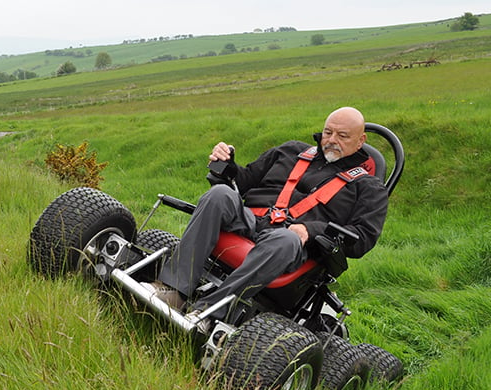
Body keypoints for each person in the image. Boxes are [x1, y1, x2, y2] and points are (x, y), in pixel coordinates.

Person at [153, 107, 389, 324]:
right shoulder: (290, 151)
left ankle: (209, 311)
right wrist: (226, 163)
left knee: (286, 239)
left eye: (343, 136)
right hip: (251, 220)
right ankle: (174, 291)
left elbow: (363, 238)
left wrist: (311, 230)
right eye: (328, 132)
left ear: (361, 141)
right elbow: (242, 181)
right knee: (220, 194)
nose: (332, 140)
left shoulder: (369, 188)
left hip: (292, 243)